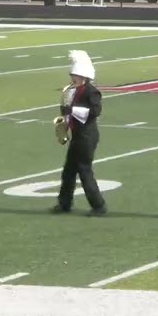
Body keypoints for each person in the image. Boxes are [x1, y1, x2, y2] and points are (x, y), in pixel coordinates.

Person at [52, 50, 107, 216]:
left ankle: (99, 206)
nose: (72, 78)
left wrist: (73, 110)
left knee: (84, 171)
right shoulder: (73, 90)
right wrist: (66, 119)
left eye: (75, 75)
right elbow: (72, 112)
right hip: (78, 135)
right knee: (68, 171)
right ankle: (64, 204)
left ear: (83, 76)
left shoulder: (91, 91)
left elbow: (95, 111)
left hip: (87, 136)